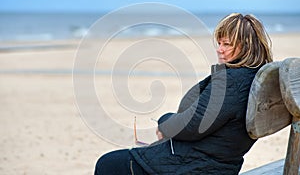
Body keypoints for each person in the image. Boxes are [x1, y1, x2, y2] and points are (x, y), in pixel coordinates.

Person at [94, 13, 273, 175]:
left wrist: (164, 122)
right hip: (219, 160)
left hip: (199, 165)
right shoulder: (255, 75)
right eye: (219, 43)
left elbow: (193, 125)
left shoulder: (232, 83)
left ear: (247, 47)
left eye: (227, 44)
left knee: (109, 164)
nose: (219, 49)